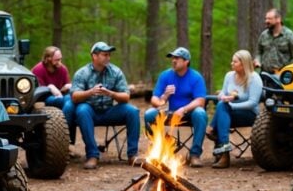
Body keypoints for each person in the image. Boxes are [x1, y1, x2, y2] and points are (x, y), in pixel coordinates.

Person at [70, 41, 140, 170]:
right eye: (104, 54)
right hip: (90, 112)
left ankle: (132, 155)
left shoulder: (115, 72)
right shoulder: (82, 73)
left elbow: (126, 97)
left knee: (132, 111)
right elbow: (74, 96)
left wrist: (111, 93)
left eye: (109, 55)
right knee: (82, 110)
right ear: (94, 56)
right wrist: (90, 92)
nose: (108, 57)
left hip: (109, 111)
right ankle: (92, 155)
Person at [144, 47, 207, 167]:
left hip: (189, 114)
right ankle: (161, 150)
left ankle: (194, 155)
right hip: (171, 112)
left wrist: (184, 109)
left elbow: (200, 101)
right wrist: (165, 96)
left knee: (200, 113)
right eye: (172, 58)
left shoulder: (196, 77)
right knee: (149, 114)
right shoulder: (165, 76)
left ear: (186, 61)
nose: (173, 60)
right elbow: (154, 100)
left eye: (177, 58)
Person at [206, 50, 263, 168]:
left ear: (243, 64)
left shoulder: (254, 78)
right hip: (229, 112)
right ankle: (224, 153)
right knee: (222, 106)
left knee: (223, 108)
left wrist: (232, 105)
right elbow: (223, 92)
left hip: (250, 114)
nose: (231, 63)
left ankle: (213, 130)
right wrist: (222, 96)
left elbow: (252, 103)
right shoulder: (229, 76)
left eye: (235, 62)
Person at [32, 46, 76, 146]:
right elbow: (38, 92)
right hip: (44, 98)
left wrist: (67, 86)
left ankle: (63, 138)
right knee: (68, 102)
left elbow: (65, 86)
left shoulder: (62, 69)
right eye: (57, 60)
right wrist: (50, 87)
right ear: (48, 59)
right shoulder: (38, 69)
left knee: (70, 101)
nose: (59, 62)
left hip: (61, 96)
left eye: (60, 59)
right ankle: (65, 139)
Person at [254, 8, 293, 74]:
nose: (266, 21)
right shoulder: (264, 35)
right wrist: (257, 61)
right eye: (266, 18)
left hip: (283, 77)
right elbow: (259, 52)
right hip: (264, 75)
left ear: (278, 19)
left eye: (269, 19)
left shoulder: (290, 36)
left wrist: (285, 70)